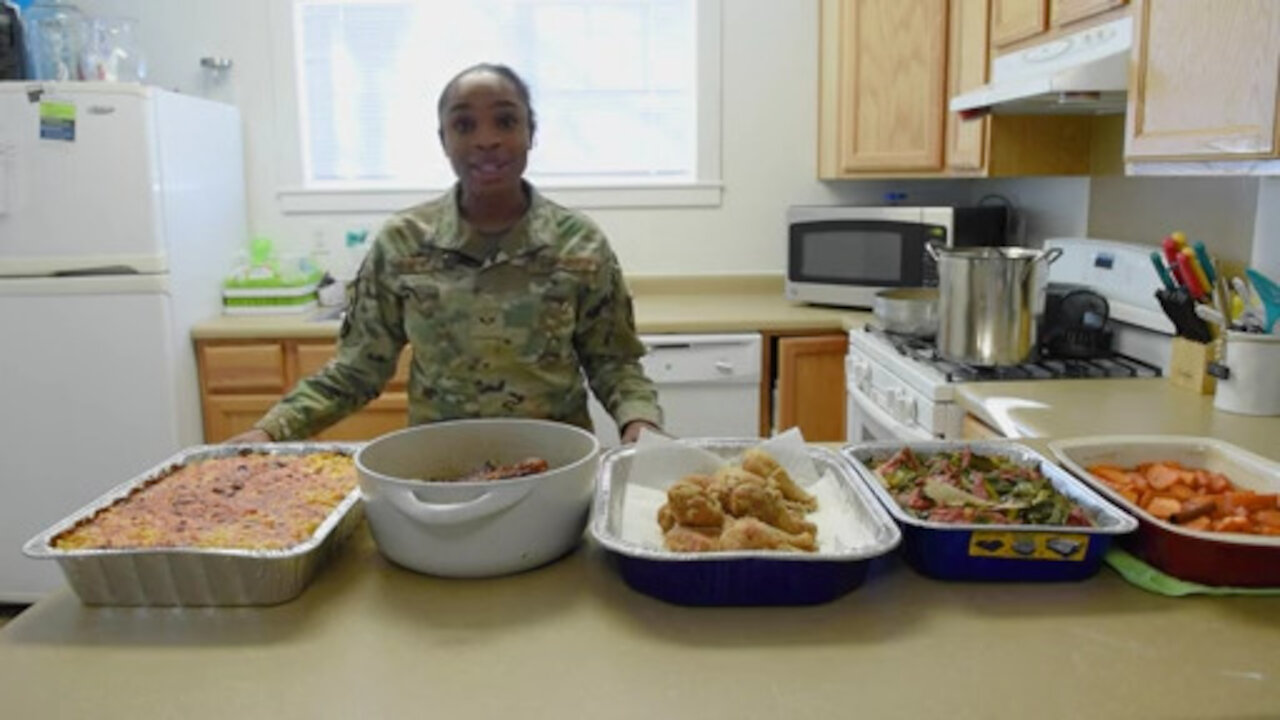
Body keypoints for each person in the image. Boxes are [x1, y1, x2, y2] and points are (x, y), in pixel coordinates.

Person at [227, 63, 663, 444]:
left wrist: (639, 422)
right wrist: (272, 429)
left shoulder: (579, 243)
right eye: (465, 125)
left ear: (531, 132)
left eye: (506, 121)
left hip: (558, 467)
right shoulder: (403, 243)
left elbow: (613, 362)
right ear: (443, 139)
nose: (487, 140)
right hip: (441, 469)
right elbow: (357, 370)